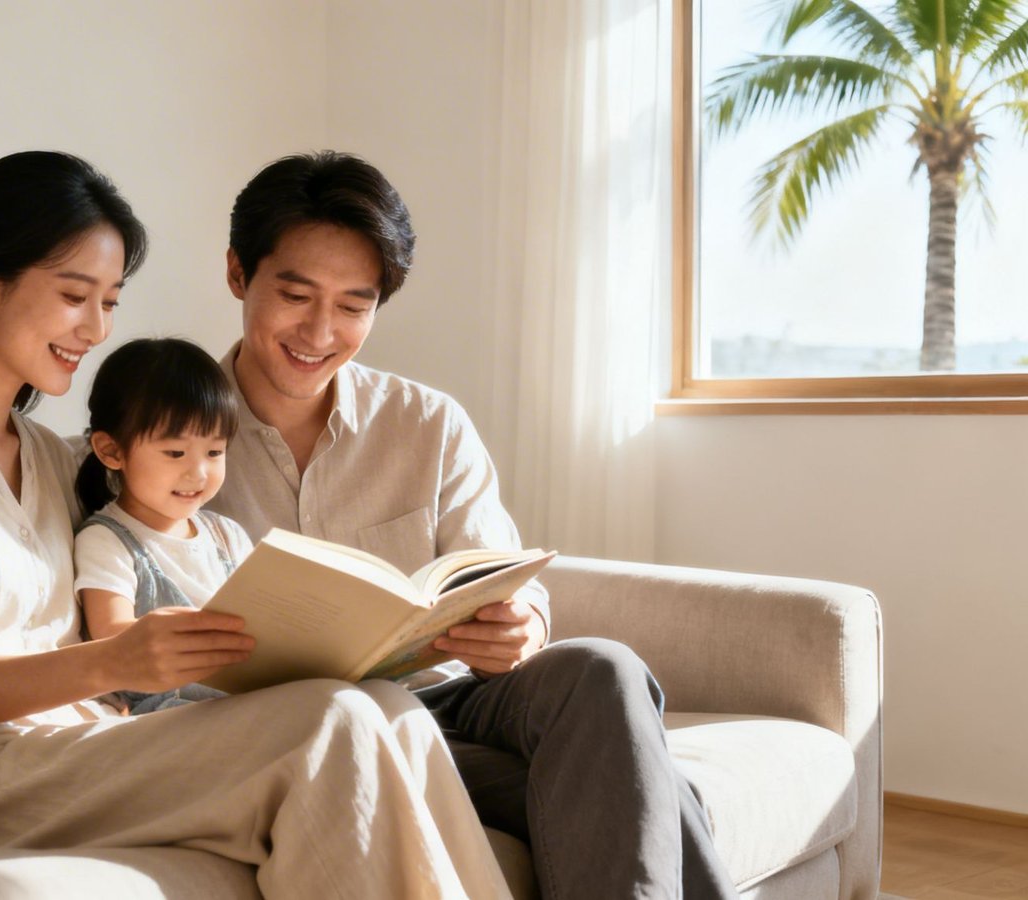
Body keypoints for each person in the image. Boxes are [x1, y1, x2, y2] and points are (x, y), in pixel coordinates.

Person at [0, 149, 510, 899]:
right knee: (327, 723)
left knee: (388, 710)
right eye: (76, 295)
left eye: (110, 301)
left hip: (78, 742)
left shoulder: (46, 453)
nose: (96, 330)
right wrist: (116, 662)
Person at [207, 150, 738, 900]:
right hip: (311, 731)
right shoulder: (166, 432)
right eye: (295, 295)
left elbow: (500, 576)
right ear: (238, 274)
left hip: (456, 702)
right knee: (637, 781)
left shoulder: (426, 423)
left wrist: (519, 624)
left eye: (354, 306)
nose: (320, 331)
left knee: (604, 669)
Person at [72, 337, 251, 713]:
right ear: (111, 451)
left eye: (215, 452)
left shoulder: (227, 535)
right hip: (172, 713)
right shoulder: (106, 540)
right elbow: (112, 640)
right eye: (175, 452)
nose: (198, 472)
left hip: (245, 698)